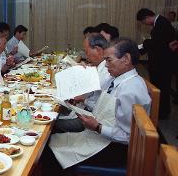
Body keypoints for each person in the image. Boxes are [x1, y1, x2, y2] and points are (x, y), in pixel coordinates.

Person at [46, 38, 151, 175]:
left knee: (50, 151)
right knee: (51, 140)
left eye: (109, 60)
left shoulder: (130, 91)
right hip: (101, 137)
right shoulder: (119, 79)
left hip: (114, 149)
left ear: (126, 59)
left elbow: (128, 137)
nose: (106, 66)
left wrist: (97, 127)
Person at [54, 33, 113, 133]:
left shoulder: (107, 70)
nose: (86, 56)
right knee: (52, 112)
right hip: (84, 110)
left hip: (90, 118)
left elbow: (79, 96)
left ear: (98, 49)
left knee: (51, 125)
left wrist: (81, 73)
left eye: (87, 51)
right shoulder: (99, 66)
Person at [136, 8, 176, 119]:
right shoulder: (160, 22)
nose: (145, 24)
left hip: (162, 64)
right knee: (160, 87)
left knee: (162, 88)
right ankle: (160, 110)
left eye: (143, 22)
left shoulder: (161, 23)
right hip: (161, 62)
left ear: (147, 18)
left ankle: (162, 112)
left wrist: (145, 43)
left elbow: (157, 44)